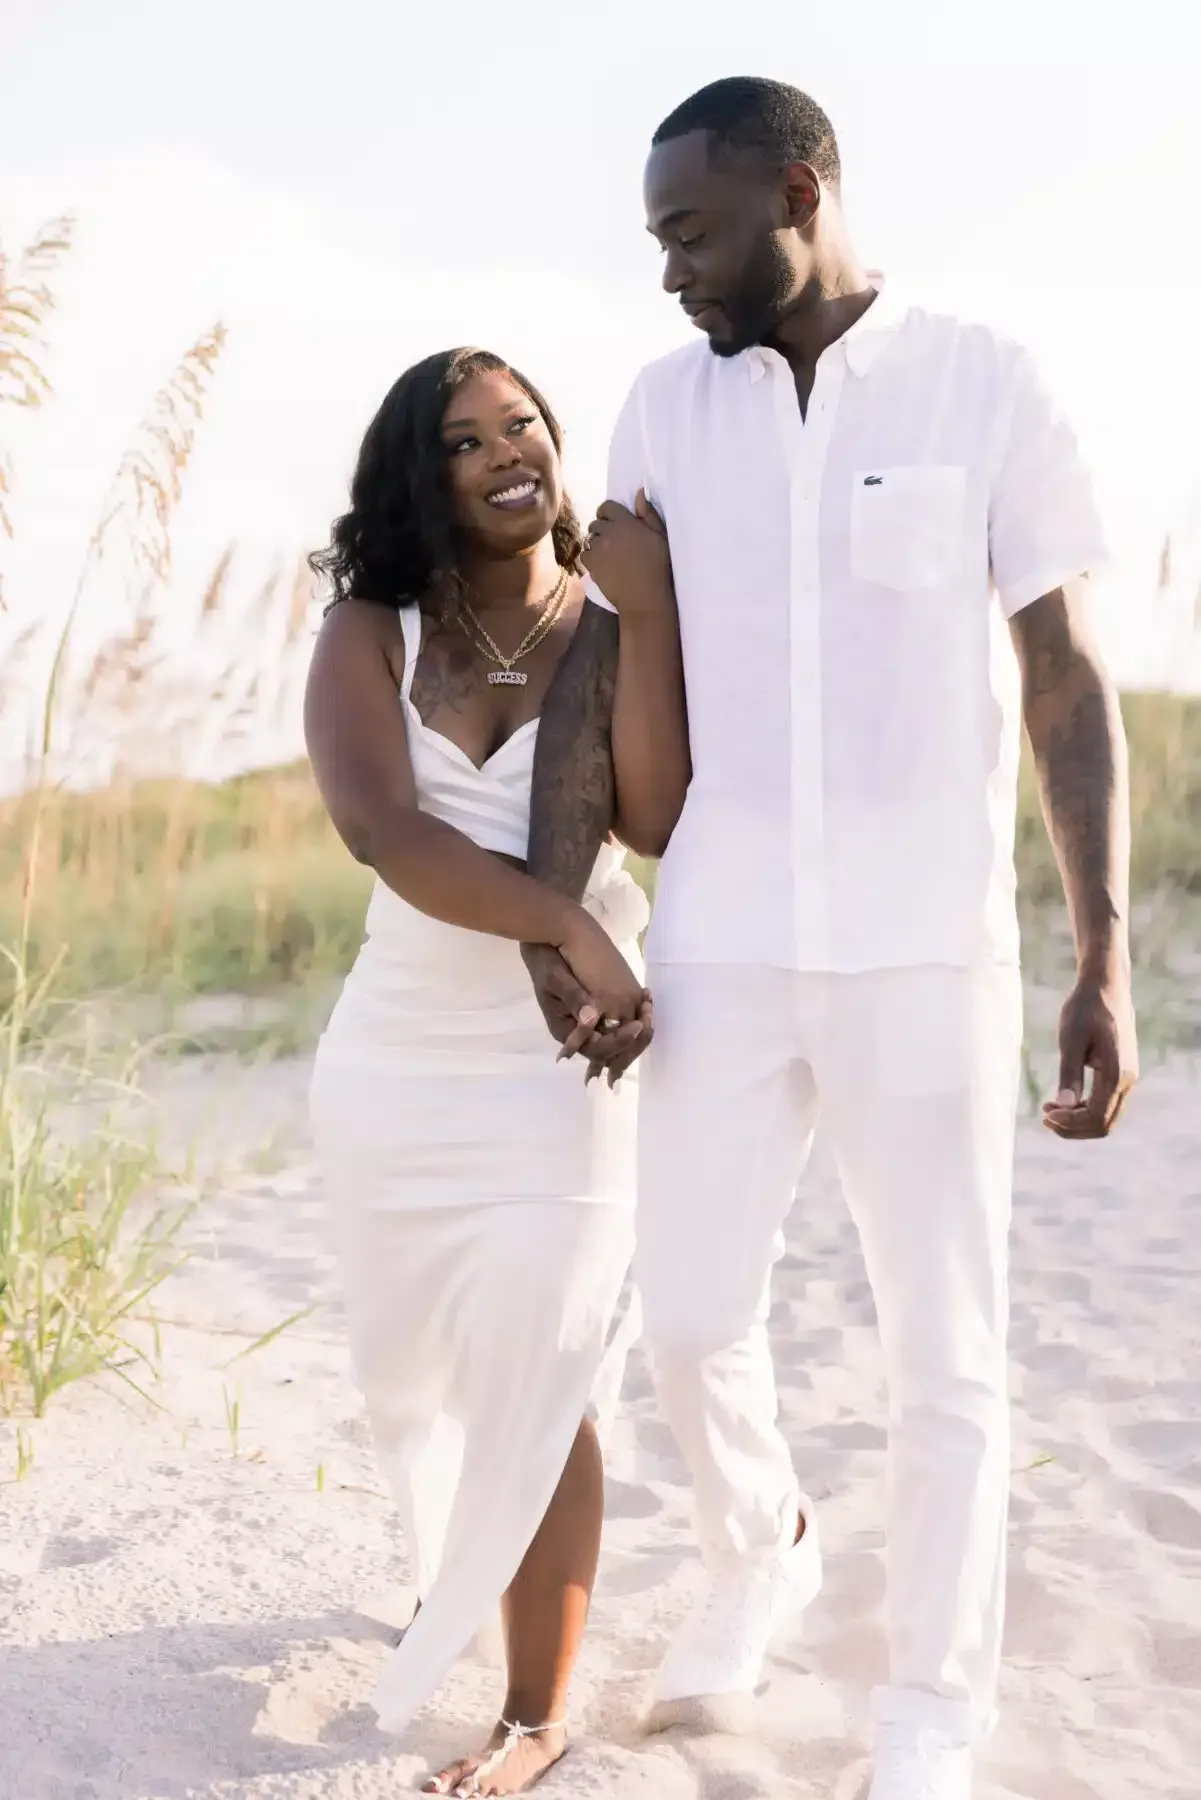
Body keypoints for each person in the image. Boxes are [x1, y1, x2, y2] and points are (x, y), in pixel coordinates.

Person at [522, 77, 1137, 1800]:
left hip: (927, 948)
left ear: (802, 190)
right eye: (655, 241)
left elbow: (1066, 677)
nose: (666, 275)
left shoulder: (982, 381)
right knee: (691, 1316)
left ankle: (930, 1711)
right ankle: (762, 1544)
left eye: (690, 234)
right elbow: (603, 688)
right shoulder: (660, 409)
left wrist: (1104, 951)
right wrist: (561, 918)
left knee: (946, 1351)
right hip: (722, 933)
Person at [304, 346, 688, 1796]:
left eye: (523, 423)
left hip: (566, 1074)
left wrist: (642, 625)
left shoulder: (607, 623)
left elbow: (650, 818)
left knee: (544, 1361)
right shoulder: (371, 631)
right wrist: (564, 934)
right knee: (416, 1375)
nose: (508, 451)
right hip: (399, 1064)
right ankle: (454, 1569)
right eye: (468, 440)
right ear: (427, 476)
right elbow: (382, 833)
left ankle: (535, 1713)